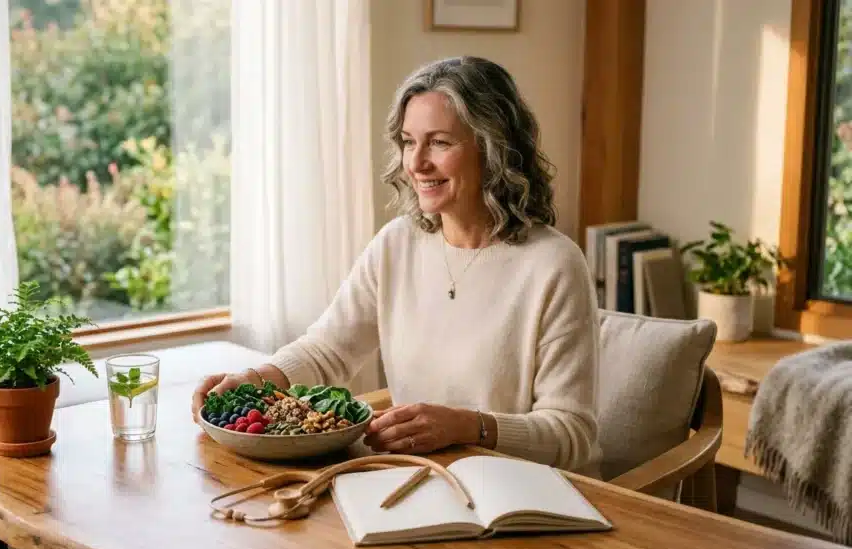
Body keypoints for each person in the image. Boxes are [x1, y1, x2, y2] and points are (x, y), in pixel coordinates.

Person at [192, 55, 602, 478]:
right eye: (409, 141)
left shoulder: (554, 264)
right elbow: (327, 349)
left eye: (440, 142)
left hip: (531, 498)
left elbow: (571, 435)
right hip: (426, 478)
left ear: (493, 148)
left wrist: (466, 426)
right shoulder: (397, 243)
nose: (417, 163)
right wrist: (257, 379)